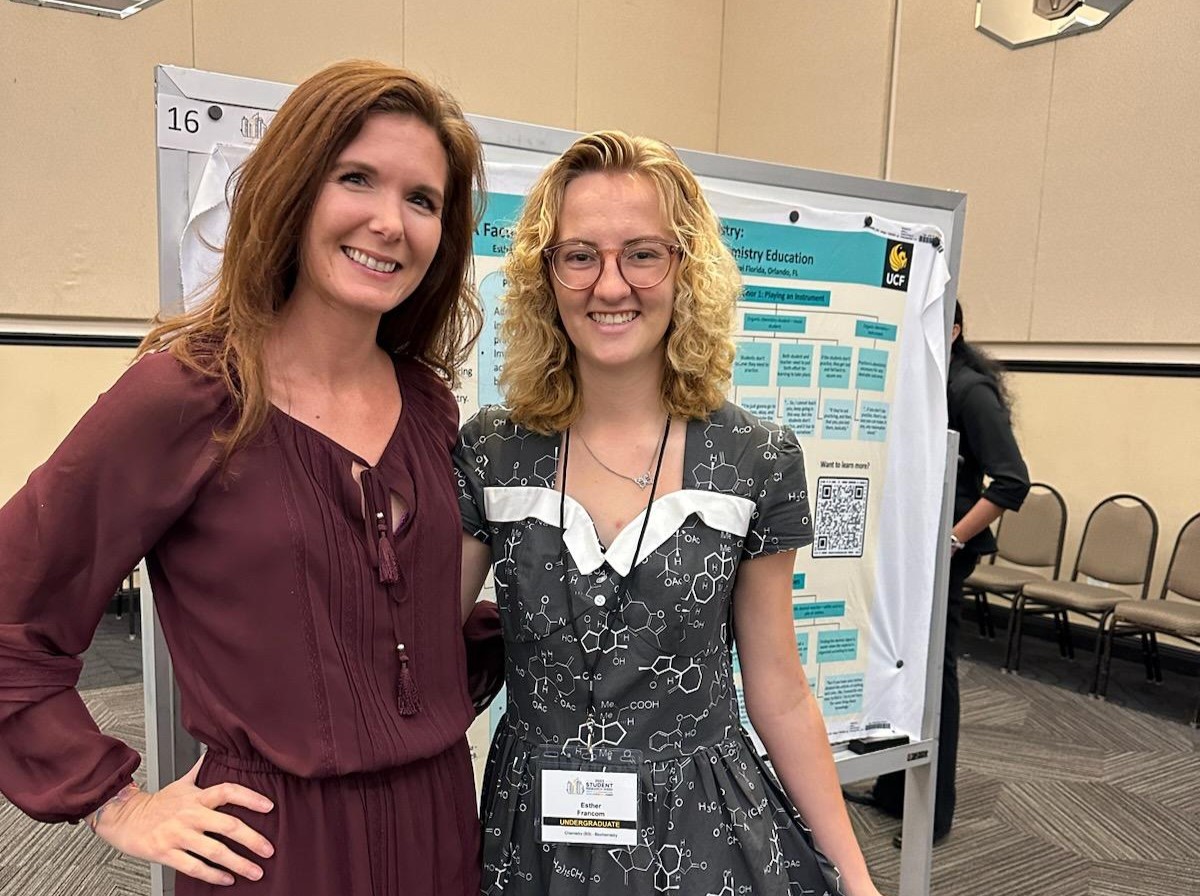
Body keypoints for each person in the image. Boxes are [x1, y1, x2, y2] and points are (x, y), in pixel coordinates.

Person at [0, 60, 495, 895]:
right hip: (272, 853)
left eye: (422, 199)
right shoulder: (187, 394)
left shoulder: (427, 406)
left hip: (440, 829)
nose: (389, 221)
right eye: (357, 179)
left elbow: (401, 634)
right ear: (295, 189)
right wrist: (115, 804)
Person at [456, 131, 883, 895]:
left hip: (702, 827)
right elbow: (418, 648)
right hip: (534, 834)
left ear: (687, 268)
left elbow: (779, 687)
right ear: (544, 275)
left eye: (642, 254)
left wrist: (856, 878)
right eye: (579, 255)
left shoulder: (755, 456)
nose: (610, 285)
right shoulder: (493, 450)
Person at [867, 300, 1030, 845]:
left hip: (945, 554)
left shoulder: (968, 389)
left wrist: (951, 539)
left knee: (936, 676)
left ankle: (932, 816)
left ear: (956, 329)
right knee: (902, 665)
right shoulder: (921, 380)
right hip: (909, 550)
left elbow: (1011, 482)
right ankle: (894, 791)